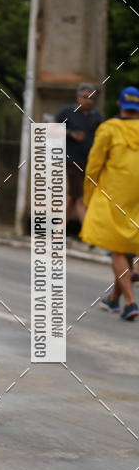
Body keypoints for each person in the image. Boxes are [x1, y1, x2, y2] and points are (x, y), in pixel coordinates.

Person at [80, 86, 139, 320]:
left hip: (114, 195)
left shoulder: (109, 129)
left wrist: (88, 196)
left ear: (119, 104)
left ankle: (130, 303)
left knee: (117, 249)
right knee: (128, 247)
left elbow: (93, 166)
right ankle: (113, 299)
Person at [56, 83, 104, 227]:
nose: (88, 100)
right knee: (80, 198)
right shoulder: (67, 111)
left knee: (72, 197)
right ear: (78, 97)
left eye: (92, 98)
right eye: (85, 97)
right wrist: (71, 134)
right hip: (72, 161)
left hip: (90, 162)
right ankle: (88, 234)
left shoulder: (96, 116)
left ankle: (58, 233)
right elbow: (51, 128)